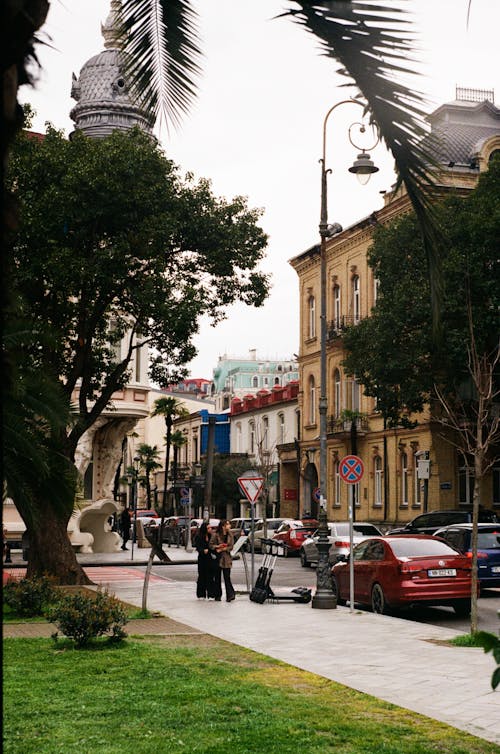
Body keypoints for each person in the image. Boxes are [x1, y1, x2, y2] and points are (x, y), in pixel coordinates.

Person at [210, 519, 235, 602]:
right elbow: (211, 545)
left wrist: (225, 548)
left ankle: (230, 595)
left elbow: (231, 546)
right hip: (218, 557)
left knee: (227, 577)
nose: (229, 526)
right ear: (223, 526)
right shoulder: (216, 535)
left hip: (226, 558)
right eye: (228, 524)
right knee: (217, 577)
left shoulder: (230, 534)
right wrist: (217, 547)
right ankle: (217, 595)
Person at [194, 522, 217, 599]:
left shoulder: (212, 536)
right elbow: (197, 547)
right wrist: (203, 550)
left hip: (210, 558)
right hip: (202, 559)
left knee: (210, 576)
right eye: (208, 528)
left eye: (211, 528)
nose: (210, 529)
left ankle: (211, 593)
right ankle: (201, 594)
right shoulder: (199, 537)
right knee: (202, 576)